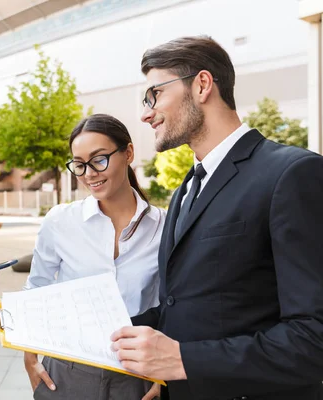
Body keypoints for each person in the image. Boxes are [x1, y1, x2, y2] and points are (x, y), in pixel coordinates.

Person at [110, 35, 323, 400]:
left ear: (202, 85)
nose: (145, 113)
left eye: (153, 95)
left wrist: (184, 361)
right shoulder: (184, 191)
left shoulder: (292, 174)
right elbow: (187, 305)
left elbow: (313, 336)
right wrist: (98, 329)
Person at [23, 113, 166, 400]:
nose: (89, 173)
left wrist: (163, 375)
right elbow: (36, 288)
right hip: (65, 371)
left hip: (135, 373)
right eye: (79, 164)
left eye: (99, 159)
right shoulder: (61, 220)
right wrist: (30, 359)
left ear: (128, 153)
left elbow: (172, 304)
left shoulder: (164, 226)